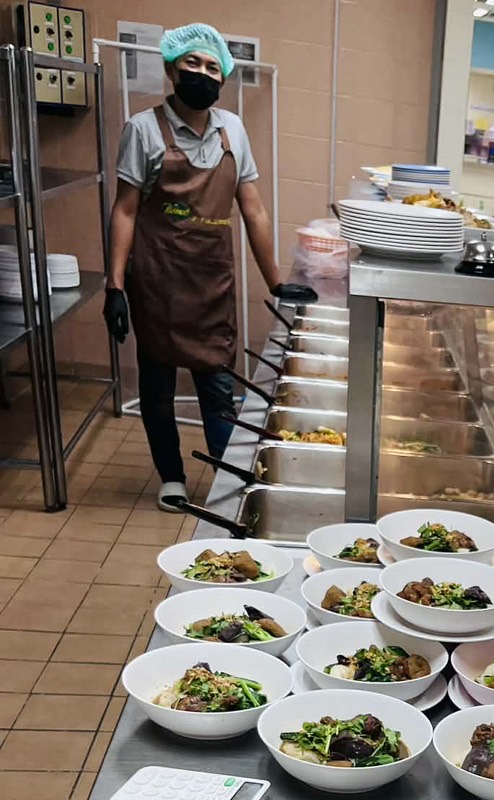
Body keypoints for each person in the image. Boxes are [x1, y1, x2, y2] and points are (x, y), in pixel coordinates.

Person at [103, 22, 315, 510]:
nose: (202, 73)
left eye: (212, 67)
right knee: (157, 388)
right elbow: (125, 210)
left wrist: (277, 281)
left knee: (218, 385)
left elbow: (253, 210)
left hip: (211, 282)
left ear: (223, 77)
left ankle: (228, 477)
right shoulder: (142, 129)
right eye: (192, 63)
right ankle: (171, 477)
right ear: (172, 70)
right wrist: (115, 286)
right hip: (156, 281)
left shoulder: (232, 129)